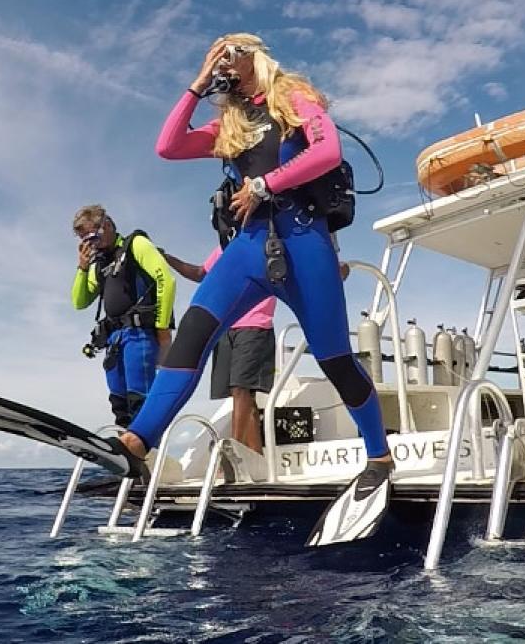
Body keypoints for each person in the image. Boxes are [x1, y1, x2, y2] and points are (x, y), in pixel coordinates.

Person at [110, 34, 393, 493]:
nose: (222, 56)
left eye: (230, 49)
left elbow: (327, 152)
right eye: (215, 52)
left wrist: (264, 185)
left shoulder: (292, 98)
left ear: (255, 54)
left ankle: (379, 455)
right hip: (246, 249)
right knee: (192, 337)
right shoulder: (230, 125)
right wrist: (199, 83)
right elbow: (167, 146)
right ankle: (137, 441)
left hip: (303, 242)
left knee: (335, 358)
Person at [71, 205, 176, 428]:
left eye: (91, 236)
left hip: (139, 335)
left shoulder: (135, 245)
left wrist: (162, 328)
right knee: (120, 405)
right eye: (83, 239)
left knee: (140, 400)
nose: (89, 243)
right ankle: (129, 454)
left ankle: (150, 454)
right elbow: (79, 302)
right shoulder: (98, 264)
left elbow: (166, 281)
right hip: (114, 340)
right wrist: (81, 268)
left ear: (106, 225)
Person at [164, 248, 275, 454]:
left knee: (240, 388)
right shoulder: (225, 248)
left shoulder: (265, 243)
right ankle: (256, 457)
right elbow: (200, 274)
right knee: (242, 395)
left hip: (255, 325)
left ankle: (233, 452)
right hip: (225, 326)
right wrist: (167, 257)